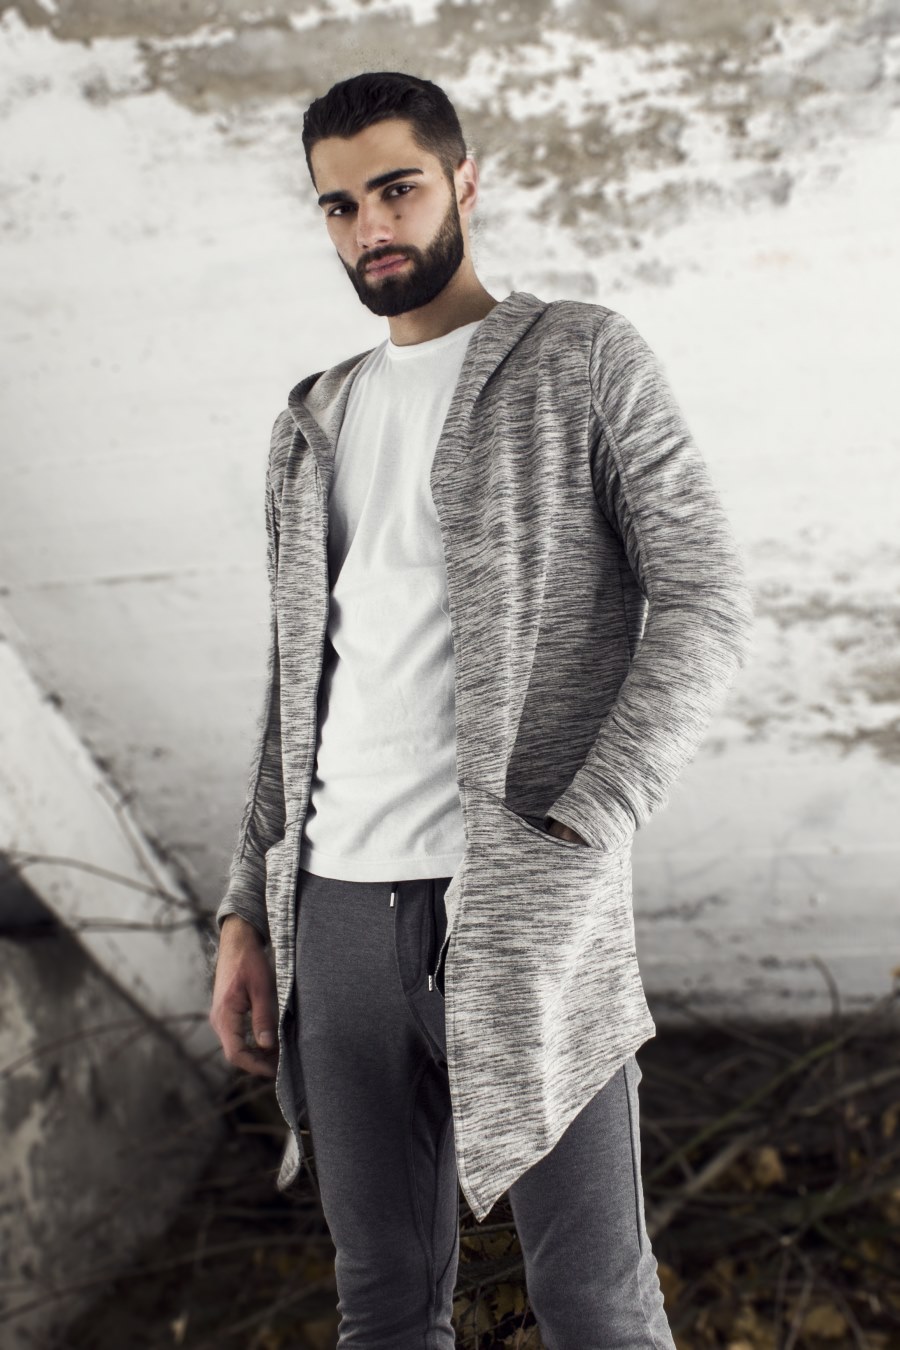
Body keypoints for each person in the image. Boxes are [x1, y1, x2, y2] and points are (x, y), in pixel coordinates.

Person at [209, 70, 754, 1349]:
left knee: (595, 1304)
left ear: (464, 180)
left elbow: (707, 595)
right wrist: (246, 906)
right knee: (383, 1305)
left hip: (518, 906)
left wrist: (586, 821)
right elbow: (295, 686)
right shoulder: (312, 419)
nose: (370, 228)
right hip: (332, 916)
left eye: (396, 189)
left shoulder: (580, 356)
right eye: (338, 206)